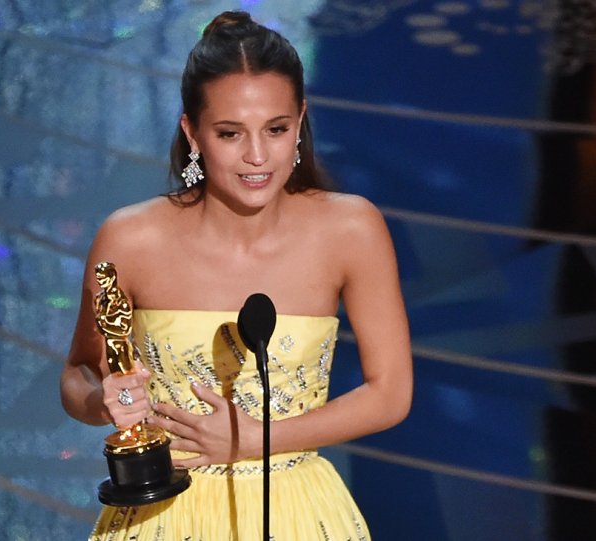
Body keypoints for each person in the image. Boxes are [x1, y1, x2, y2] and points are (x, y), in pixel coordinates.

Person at [60, 10, 412, 540]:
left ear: (300, 121)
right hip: (165, 512)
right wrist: (102, 401)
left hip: (296, 512)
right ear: (193, 133)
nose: (257, 156)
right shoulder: (131, 238)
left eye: (276, 129)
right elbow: (79, 373)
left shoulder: (351, 229)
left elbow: (390, 393)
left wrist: (254, 440)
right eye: (230, 133)